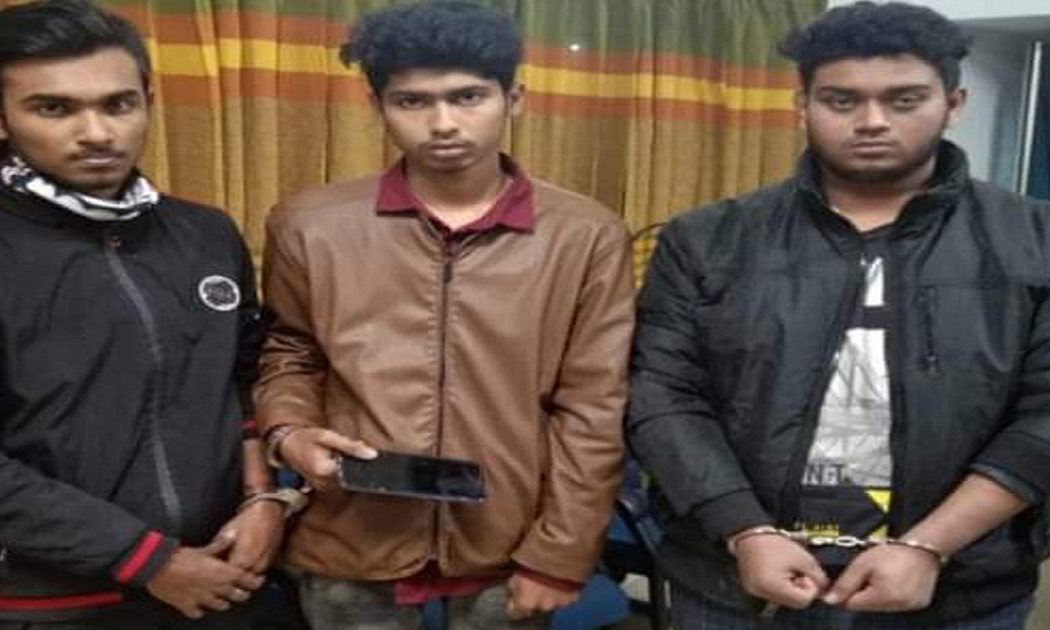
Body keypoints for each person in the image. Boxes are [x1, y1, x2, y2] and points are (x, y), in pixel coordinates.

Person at [0, 1, 297, 627]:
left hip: (227, 573)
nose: (97, 133)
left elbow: (241, 381)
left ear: (148, 99)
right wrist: (148, 560)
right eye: (54, 108)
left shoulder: (206, 233)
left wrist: (264, 499)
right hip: (53, 602)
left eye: (118, 104)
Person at [627, 2, 1050, 629]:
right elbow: (660, 394)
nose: (872, 121)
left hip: (954, 588)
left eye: (904, 100)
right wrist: (743, 529)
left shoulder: (1035, 240)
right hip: (731, 581)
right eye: (842, 100)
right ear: (802, 105)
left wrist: (929, 545)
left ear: (953, 103)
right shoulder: (709, 238)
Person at [253, 2, 635, 629]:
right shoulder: (310, 224)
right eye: (412, 101)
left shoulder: (585, 235)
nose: (443, 123)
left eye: (467, 97)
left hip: (509, 536)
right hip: (352, 530)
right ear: (377, 105)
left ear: (514, 98)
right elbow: (291, 352)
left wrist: (560, 553)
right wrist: (289, 431)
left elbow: (593, 404)